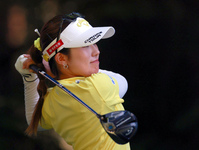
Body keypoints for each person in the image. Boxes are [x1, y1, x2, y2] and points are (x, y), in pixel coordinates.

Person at [15, 12, 130, 150]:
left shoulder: (53, 100)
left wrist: (29, 77)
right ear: (62, 59)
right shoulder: (97, 86)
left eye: (94, 43)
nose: (96, 51)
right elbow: (123, 82)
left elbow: (35, 120)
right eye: (86, 45)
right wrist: (50, 69)